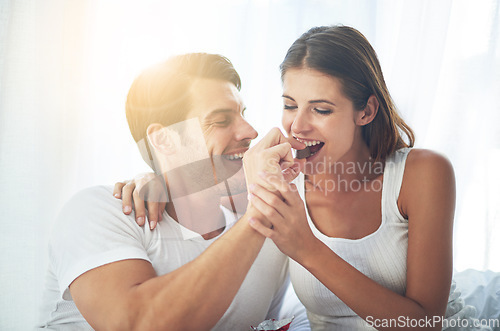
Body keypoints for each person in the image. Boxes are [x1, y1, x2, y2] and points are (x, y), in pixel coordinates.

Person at [119, 26, 490, 330]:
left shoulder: (422, 174)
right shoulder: (279, 179)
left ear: (366, 111)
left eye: (322, 109)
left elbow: (425, 323)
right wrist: (156, 179)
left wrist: (307, 248)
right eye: (289, 105)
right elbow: (202, 184)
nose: (297, 126)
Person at [36, 53, 310, 330]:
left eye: (242, 114)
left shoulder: (270, 236)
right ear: (164, 139)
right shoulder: (95, 212)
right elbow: (136, 324)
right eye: (220, 120)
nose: (250, 131)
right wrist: (260, 213)